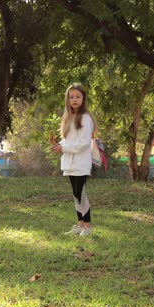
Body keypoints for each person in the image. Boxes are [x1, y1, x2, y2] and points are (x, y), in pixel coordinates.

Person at [50, 83, 95, 236]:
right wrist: (58, 146)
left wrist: (64, 148)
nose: (74, 100)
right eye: (71, 97)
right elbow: (68, 140)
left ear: (83, 99)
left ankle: (87, 226)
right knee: (75, 193)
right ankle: (80, 224)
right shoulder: (68, 118)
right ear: (67, 100)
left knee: (79, 192)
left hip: (81, 162)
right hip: (69, 162)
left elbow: (83, 143)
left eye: (78, 97)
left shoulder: (86, 118)